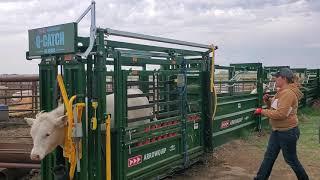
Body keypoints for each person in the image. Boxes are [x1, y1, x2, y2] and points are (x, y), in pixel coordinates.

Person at [253, 68, 309, 180]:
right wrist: (268, 101)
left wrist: (261, 111)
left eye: (277, 77)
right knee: (269, 157)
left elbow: (281, 114)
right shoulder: (281, 91)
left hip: (288, 132)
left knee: (291, 160)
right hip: (278, 131)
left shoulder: (288, 93)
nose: (274, 79)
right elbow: (275, 109)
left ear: (283, 78)